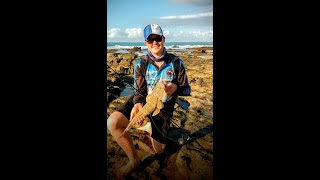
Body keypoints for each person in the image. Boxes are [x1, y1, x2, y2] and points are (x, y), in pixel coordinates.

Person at [107, 23, 191, 178]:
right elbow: (139, 91)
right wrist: (138, 104)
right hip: (144, 101)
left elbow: (186, 89)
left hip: (162, 106)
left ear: (163, 39)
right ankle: (133, 160)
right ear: (146, 42)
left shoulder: (177, 63)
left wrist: (174, 88)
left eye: (157, 38)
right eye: (150, 40)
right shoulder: (141, 64)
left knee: (159, 151)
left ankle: (147, 126)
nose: (154, 43)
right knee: (113, 122)